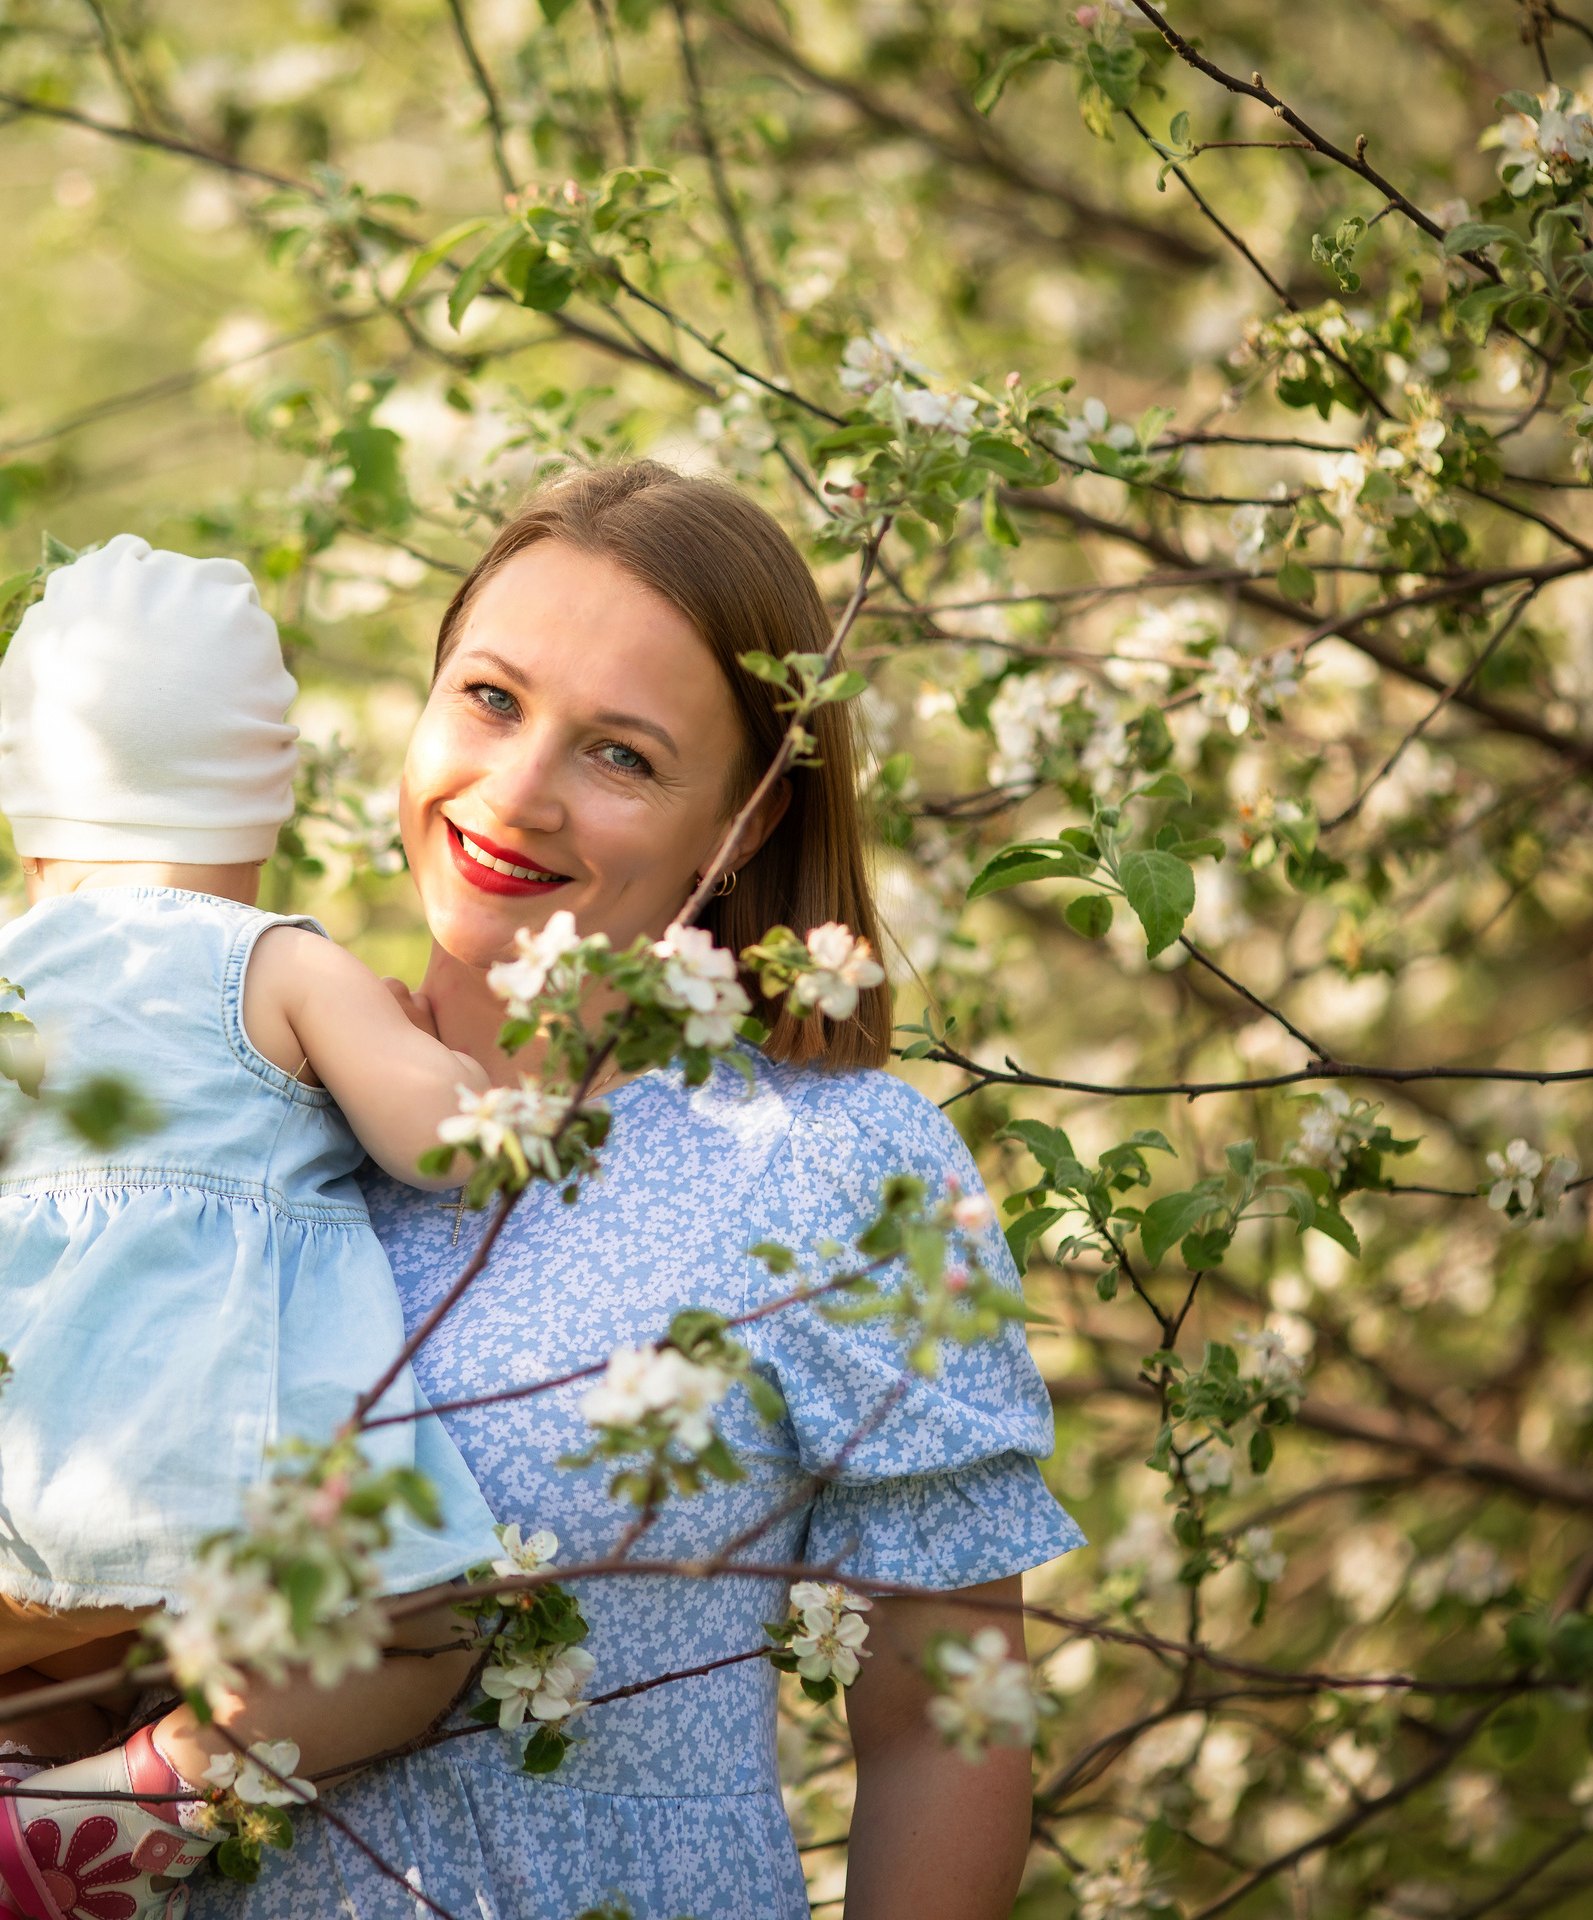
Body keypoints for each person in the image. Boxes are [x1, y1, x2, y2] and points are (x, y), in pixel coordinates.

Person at [175, 464, 1084, 1920]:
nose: (517, 792)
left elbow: (941, 1728)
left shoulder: (835, 1169)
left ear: (744, 830)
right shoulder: (220, 1110)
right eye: (488, 698)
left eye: (623, 756)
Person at [0, 533, 508, 1920]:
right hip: (212, 1463)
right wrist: (440, 1055)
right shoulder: (274, 961)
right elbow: (444, 1143)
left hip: (14, 1470)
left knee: (30, 1651)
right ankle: (147, 1801)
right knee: (437, 1644)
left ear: (31, 831)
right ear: (263, 801)